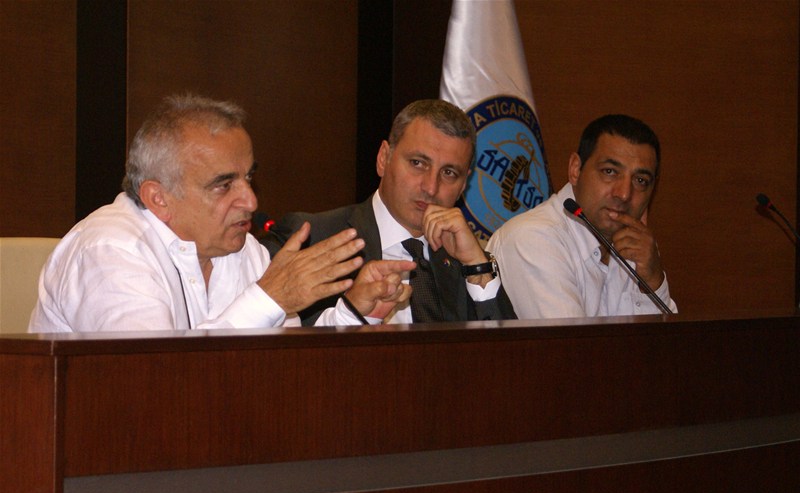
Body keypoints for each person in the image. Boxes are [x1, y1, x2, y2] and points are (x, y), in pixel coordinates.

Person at [29, 94, 413, 332]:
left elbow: (288, 361)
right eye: (223, 185)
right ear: (159, 199)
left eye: (249, 178)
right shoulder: (111, 251)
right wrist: (268, 298)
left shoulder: (242, 249)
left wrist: (353, 314)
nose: (250, 200)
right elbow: (153, 380)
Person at [262, 99, 516, 324]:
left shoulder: (466, 260)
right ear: (384, 158)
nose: (431, 187)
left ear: (463, 185)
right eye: (418, 163)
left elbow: (509, 355)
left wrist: (477, 266)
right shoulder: (312, 238)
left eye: (449, 173)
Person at [487, 114, 677, 319]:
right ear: (575, 170)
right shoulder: (532, 239)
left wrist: (652, 282)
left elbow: (669, 339)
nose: (624, 194)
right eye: (610, 171)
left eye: (640, 180)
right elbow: (570, 340)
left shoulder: (638, 248)